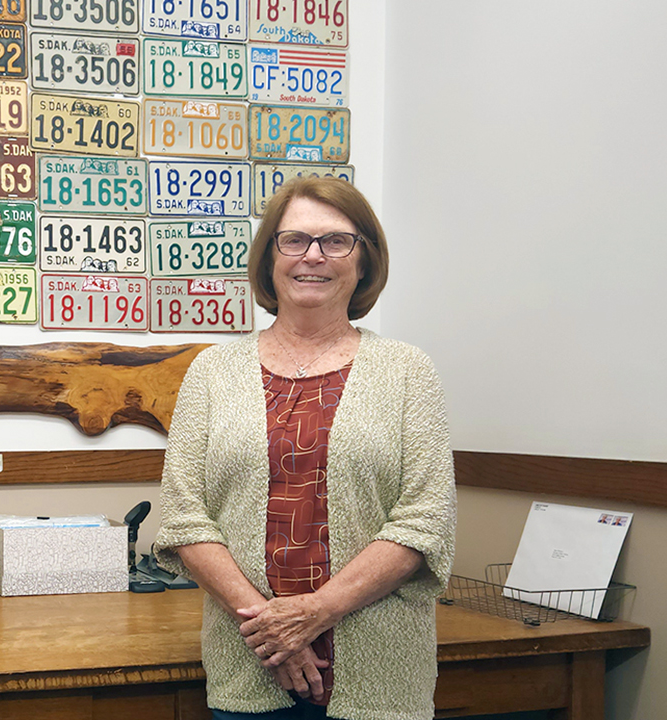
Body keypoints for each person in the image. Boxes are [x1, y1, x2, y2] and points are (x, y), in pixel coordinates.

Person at [154, 177, 456, 720]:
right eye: (293, 240)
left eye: (336, 241)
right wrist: (273, 630)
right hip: (251, 662)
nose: (312, 256)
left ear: (364, 261)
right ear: (270, 258)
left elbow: (424, 522)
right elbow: (184, 517)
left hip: (380, 671)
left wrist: (314, 613)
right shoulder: (211, 372)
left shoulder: (410, 372)